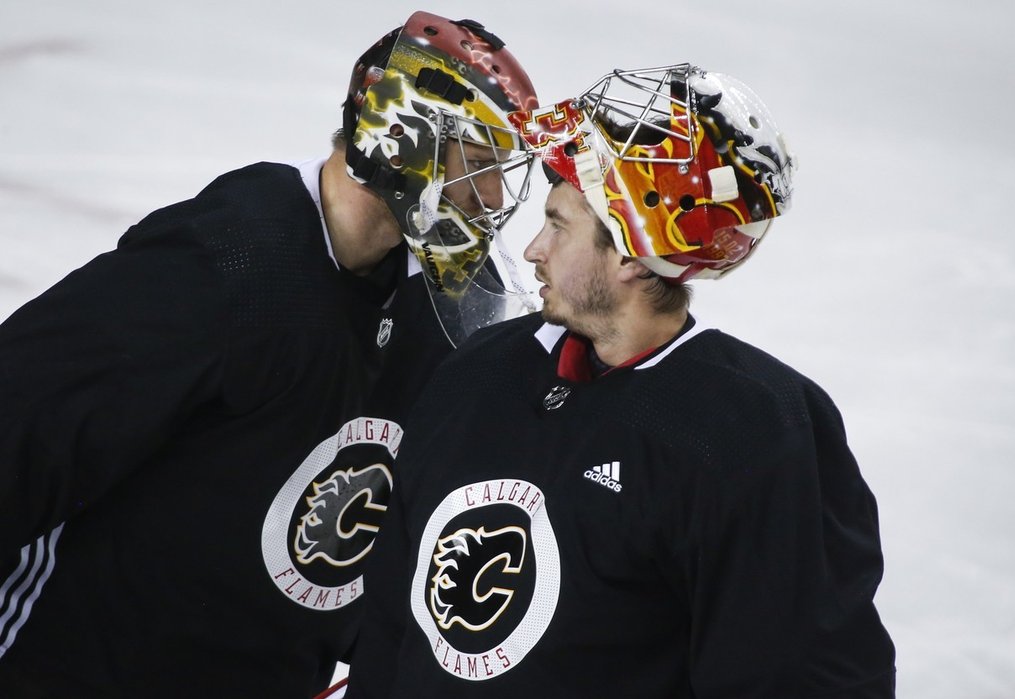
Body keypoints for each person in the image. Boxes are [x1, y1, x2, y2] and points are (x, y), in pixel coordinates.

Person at [0, 11, 537, 697]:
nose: (493, 197)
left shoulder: (441, 308)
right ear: (405, 134)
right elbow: (19, 420)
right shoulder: (228, 264)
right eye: (478, 158)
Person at [347, 64, 896, 697]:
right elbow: (392, 619)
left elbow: (801, 677)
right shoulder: (478, 372)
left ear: (634, 253)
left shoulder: (754, 432)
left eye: (559, 224)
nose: (533, 251)